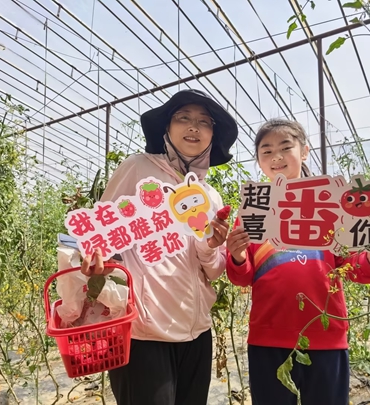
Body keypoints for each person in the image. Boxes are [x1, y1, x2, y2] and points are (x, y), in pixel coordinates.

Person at [80, 89, 238, 405]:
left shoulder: (210, 196)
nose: (193, 127)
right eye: (183, 118)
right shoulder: (138, 168)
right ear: (166, 128)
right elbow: (100, 232)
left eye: (204, 122)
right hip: (144, 332)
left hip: (197, 332)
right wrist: (94, 258)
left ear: (212, 135)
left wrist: (211, 246)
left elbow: (213, 271)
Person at [226, 119, 370, 405]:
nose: (276, 156)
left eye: (285, 147)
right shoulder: (253, 210)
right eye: (266, 151)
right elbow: (242, 276)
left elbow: (351, 264)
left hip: (325, 334)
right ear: (259, 160)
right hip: (269, 336)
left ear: (304, 151)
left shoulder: (332, 203)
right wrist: (237, 255)